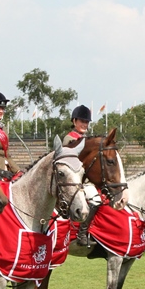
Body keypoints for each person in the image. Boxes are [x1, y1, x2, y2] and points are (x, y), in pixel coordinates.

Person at [61, 105, 98, 245]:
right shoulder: (69, 139)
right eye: (82, 121)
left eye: (86, 122)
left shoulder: (86, 139)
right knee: (96, 201)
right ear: (74, 121)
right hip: (76, 179)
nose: (84, 124)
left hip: (88, 178)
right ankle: (81, 234)